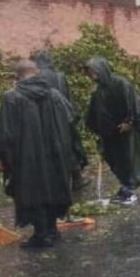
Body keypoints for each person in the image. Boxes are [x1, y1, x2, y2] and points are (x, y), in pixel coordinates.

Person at [0, 61, 76, 248]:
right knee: (52, 187)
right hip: (55, 154)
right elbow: (71, 119)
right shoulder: (54, 94)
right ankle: (52, 230)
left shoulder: (11, 97)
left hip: (26, 157)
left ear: (18, 76)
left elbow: (5, 133)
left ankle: (41, 235)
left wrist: (1, 157)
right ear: (37, 73)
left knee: (31, 190)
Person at [84, 57, 140, 206]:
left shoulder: (121, 84)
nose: (90, 75)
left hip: (126, 132)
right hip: (110, 134)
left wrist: (130, 122)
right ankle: (124, 187)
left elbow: (135, 104)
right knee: (116, 161)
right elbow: (95, 113)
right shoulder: (98, 91)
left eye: (92, 71)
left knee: (129, 160)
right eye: (88, 72)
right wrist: (98, 130)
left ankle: (129, 190)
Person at [31, 50, 89, 191]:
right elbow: (67, 98)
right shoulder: (59, 76)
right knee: (68, 148)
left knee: (47, 150)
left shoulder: (36, 77)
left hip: (43, 119)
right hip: (62, 116)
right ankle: (76, 179)